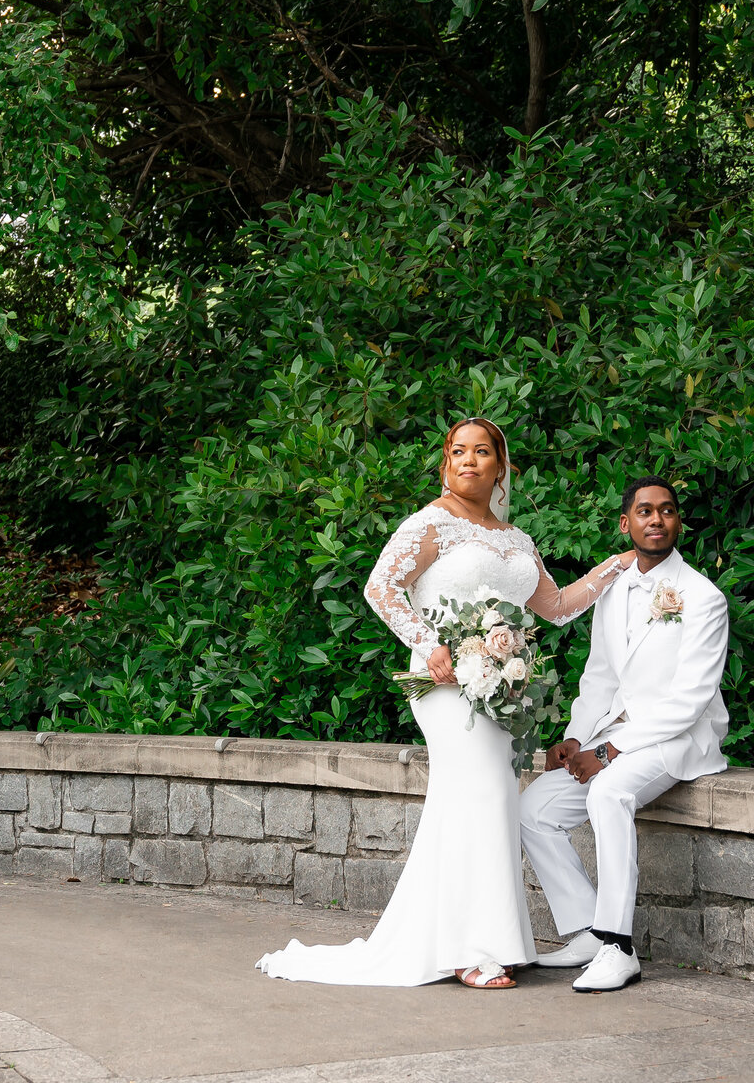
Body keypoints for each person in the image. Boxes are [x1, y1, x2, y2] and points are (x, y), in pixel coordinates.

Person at [257, 419, 632, 990]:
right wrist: (429, 644)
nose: (469, 461)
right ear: (445, 464)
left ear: (501, 467)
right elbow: (380, 588)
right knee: (480, 793)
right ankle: (470, 950)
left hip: (499, 692)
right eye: (458, 451)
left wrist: (616, 566)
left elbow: (555, 606)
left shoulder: (516, 540)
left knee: (489, 800)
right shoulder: (431, 523)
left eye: (482, 452)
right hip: (442, 684)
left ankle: (473, 939)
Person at [520, 477, 729, 993]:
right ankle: (588, 930)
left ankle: (618, 946)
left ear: (677, 522)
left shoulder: (703, 597)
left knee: (609, 790)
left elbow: (690, 700)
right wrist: (577, 740)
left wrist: (609, 752)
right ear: (626, 523)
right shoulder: (613, 592)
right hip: (614, 734)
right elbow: (600, 677)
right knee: (535, 809)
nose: (656, 519)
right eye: (644, 511)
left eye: (667, 511)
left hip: (678, 738)